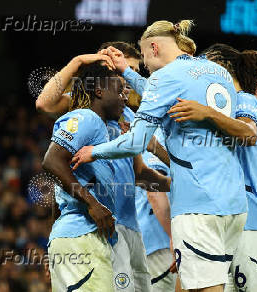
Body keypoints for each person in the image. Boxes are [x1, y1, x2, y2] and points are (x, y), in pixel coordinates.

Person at [71, 20, 247, 292]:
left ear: (153, 47)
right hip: (234, 203)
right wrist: (126, 73)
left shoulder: (164, 78)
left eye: (142, 58)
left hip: (197, 205)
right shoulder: (217, 72)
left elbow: (137, 141)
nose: (143, 66)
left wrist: (95, 151)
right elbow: (162, 92)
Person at [37, 41, 171, 292]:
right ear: (99, 85)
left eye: (130, 73)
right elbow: (44, 104)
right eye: (121, 73)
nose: (127, 82)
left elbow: (140, 174)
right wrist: (78, 62)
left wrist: (176, 180)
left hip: (129, 228)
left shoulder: (131, 117)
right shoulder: (83, 112)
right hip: (98, 226)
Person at [168, 46, 257, 291]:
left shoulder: (249, 108)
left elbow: (248, 140)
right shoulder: (245, 103)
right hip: (254, 225)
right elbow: (244, 134)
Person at [42, 62, 122, 291]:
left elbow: (61, 185)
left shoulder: (101, 132)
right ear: (99, 90)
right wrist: (93, 203)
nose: (124, 98)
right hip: (81, 239)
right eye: (118, 91)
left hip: (77, 238)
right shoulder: (87, 118)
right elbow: (52, 161)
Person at [135, 127, 176, 292]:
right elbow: (154, 191)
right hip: (159, 240)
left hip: (149, 238)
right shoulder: (158, 135)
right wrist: (174, 234)